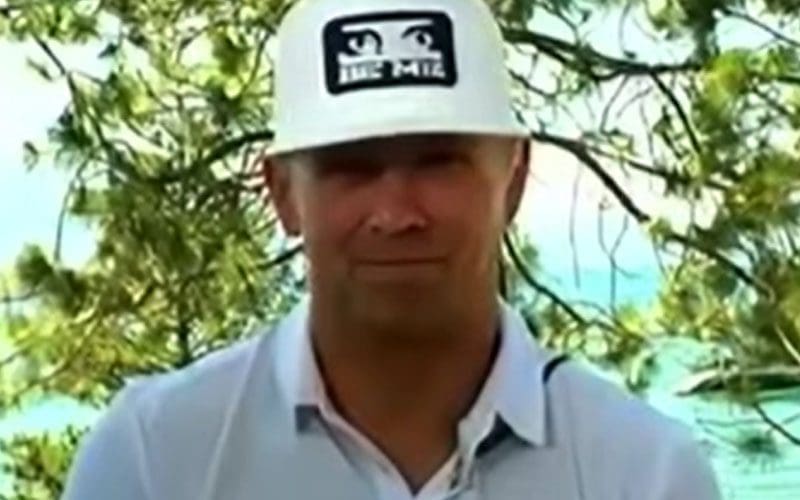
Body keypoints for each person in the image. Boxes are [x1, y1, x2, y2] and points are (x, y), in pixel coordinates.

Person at [61, 0, 722, 498]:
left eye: (439, 161)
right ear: (283, 192)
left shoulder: (643, 473)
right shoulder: (155, 457)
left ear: (515, 177)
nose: (397, 214)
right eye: (351, 167)